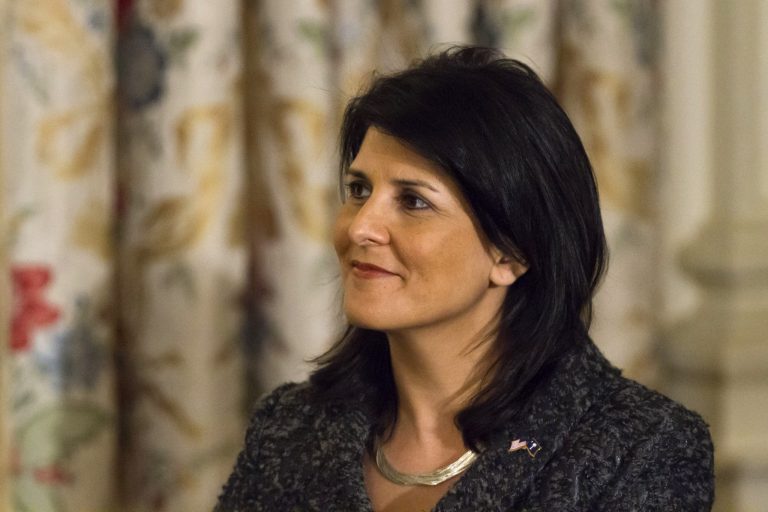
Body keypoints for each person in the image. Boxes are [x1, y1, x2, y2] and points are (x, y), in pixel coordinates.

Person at [214, 46, 714, 511]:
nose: (361, 227)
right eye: (359, 189)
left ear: (513, 252)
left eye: (413, 201)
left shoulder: (639, 449)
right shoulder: (290, 429)